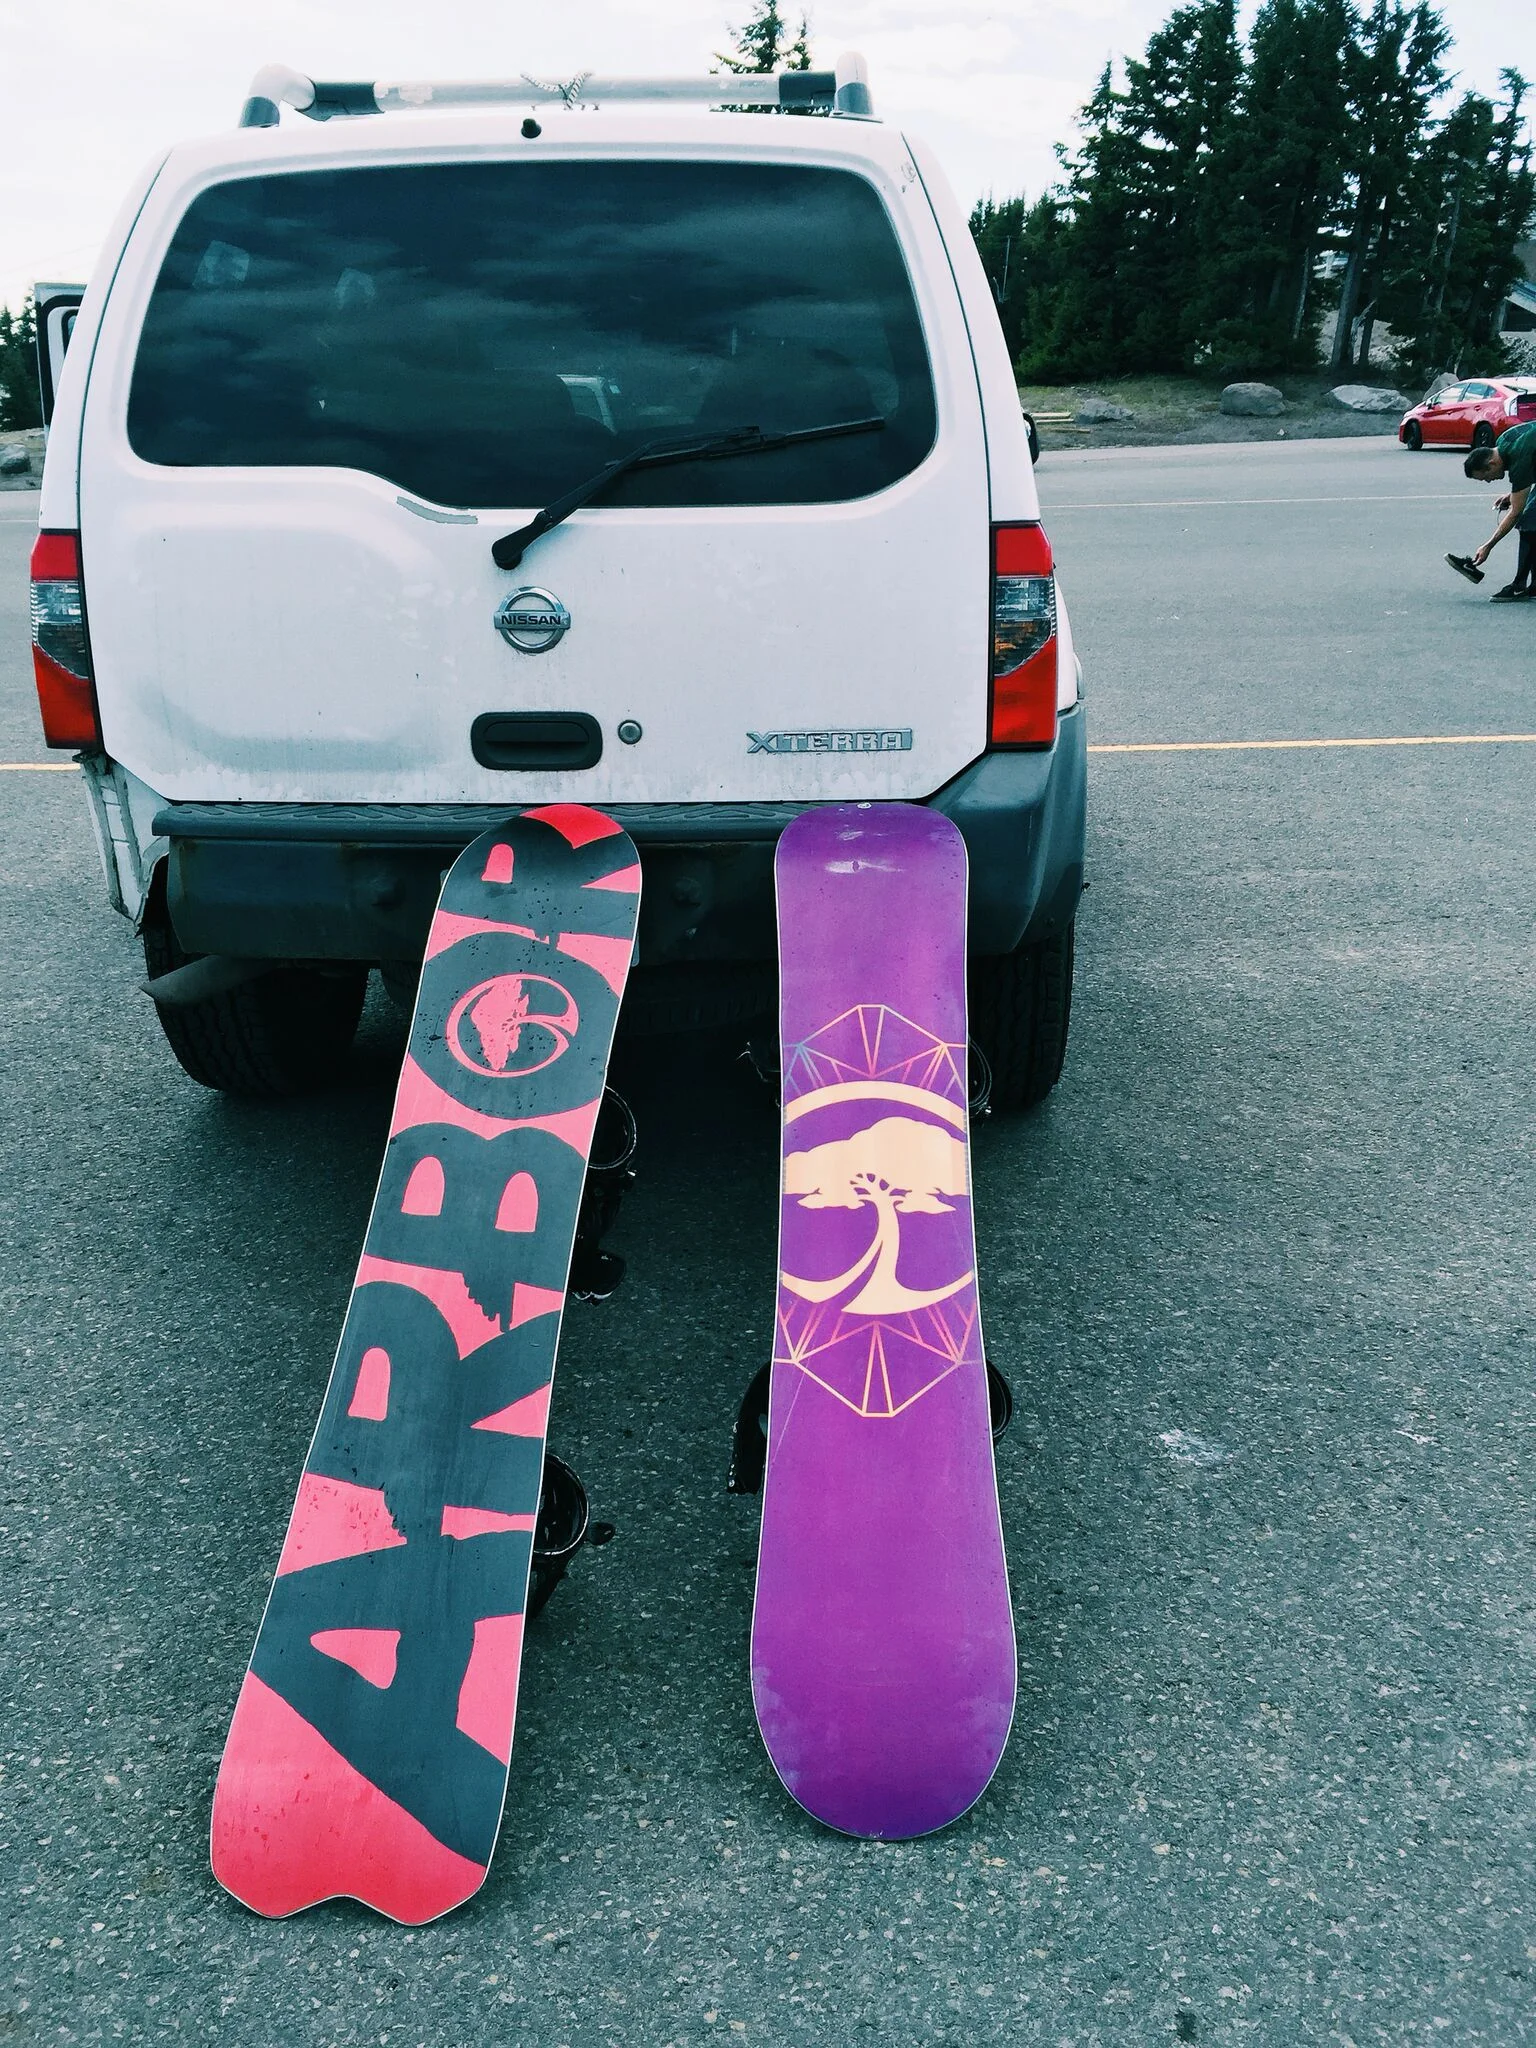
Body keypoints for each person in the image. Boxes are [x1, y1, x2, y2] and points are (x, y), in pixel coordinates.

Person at [1462, 418, 1536, 601]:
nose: (1489, 481)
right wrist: (1512, 495)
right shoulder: (1504, 440)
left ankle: (1519, 586)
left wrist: (1488, 546)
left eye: (1485, 476)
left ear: (1492, 464)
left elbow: (1516, 512)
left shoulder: (1517, 456)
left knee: (1528, 522)